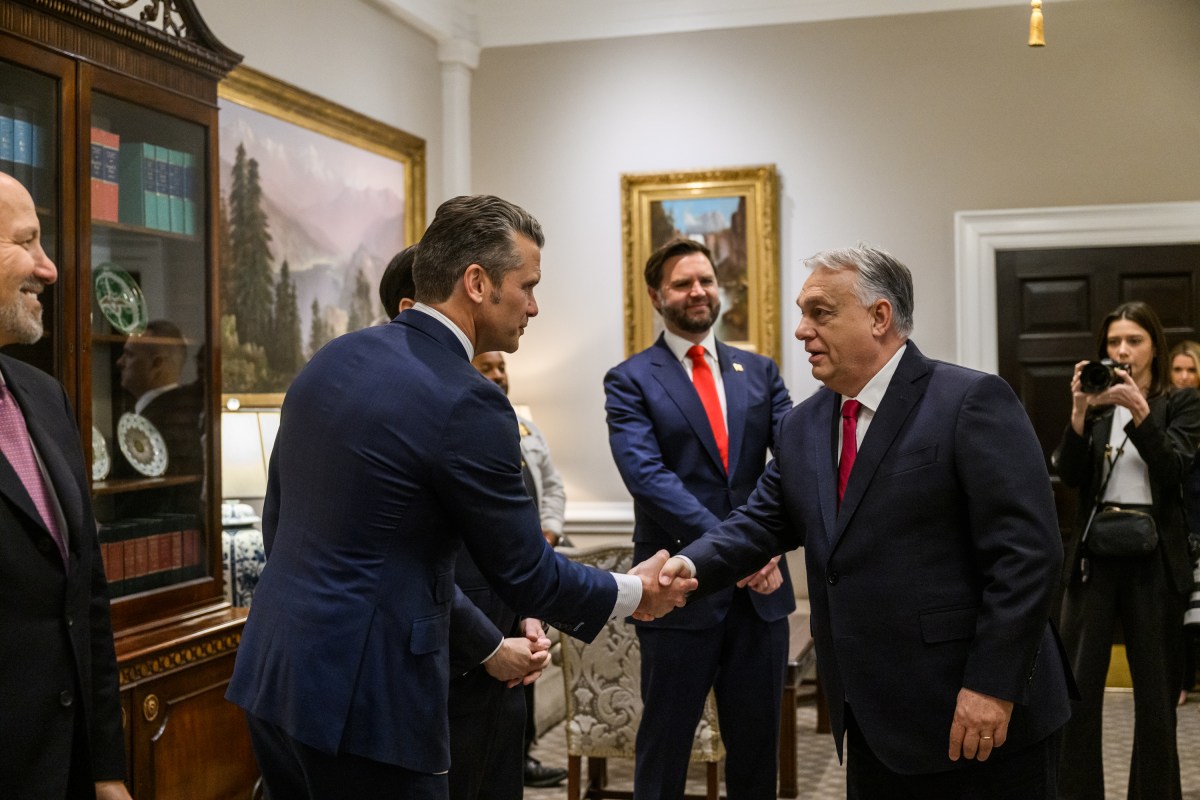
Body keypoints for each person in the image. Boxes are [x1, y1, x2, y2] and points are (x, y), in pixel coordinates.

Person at [226, 195, 695, 800]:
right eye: (527, 285)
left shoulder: (333, 358)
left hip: (274, 675)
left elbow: (278, 523)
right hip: (369, 702)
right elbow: (527, 574)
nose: (534, 306)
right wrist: (637, 593)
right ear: (476, 282)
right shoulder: (468, 400)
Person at [660, 245, 1073, 799]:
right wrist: (683, 566)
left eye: (820, 312)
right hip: (872, 721)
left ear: (880, 317)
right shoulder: (803, 425)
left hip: (974, 717)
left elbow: (1029, 556)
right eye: (803, 313)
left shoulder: (970, 401)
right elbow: (759, 523)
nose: (802, 330)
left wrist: (991, 686)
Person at [604, 237, 794, 799]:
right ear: (656, 295)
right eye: (684, 283)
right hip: (677, 593)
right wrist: (741, 549)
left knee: (757, 752)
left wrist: (764, 546)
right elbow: (649, 479)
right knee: (665, 750)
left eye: (706, 280)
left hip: (760, 598)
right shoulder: (631, 379)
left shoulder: (759, 371)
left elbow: (792, 463)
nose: (698, 292)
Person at [379, 247, 565, 796]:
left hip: (499, 669)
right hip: (436, 672)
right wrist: (488, 646)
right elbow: (404, 562)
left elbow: (508, 534)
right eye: (523, 287)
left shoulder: (479, 403)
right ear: (413, 308)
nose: (531, 307)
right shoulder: (394, 405)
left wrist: (528, 613)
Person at [0, 172, 131, 798]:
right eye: (28, 242)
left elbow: (87, 597)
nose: (49, 269)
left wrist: (106, 769)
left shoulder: (44, 397)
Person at [1053, 303, 1200, 799]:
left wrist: (1138, 409)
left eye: (1133, 340)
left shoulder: (1180, 404)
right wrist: (1078, 412)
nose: (1121, 351)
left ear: (1153, 345)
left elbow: (1175, 468)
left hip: (1156, 561)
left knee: (1157, 703)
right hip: (1094, 560)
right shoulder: (1095, 406)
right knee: (1077, 696)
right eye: (1114, 342)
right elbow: (1070, 475)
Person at [471, 349, 570, 789]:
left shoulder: (524, 425)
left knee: (528, 651)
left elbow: (551, 485)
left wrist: (546, 536)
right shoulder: (465, 423)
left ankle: (522, 753)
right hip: (489, 571)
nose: (498, 376)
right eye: (487, 368)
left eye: (501, 367)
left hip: (529, 561)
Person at [112, 318, 204, 515]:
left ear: (157, 364)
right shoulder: (184, 412)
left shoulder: (165, 420)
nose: (119, 362)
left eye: (129, 355)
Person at [1170, 339, 1200, 706]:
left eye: (1191, 370)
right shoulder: (1164, 413)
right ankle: (1181, 681)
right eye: (1177, 370)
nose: (1183, 377)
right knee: (1179, 613)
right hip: (1178, 523)